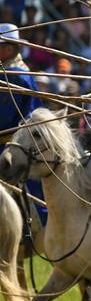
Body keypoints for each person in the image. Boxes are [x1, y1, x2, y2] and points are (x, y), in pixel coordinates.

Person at [0, 23, 46, 224]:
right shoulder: (9, 72)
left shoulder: (15, 77)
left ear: (9, 49)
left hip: (13, 143)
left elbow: (3, 120)